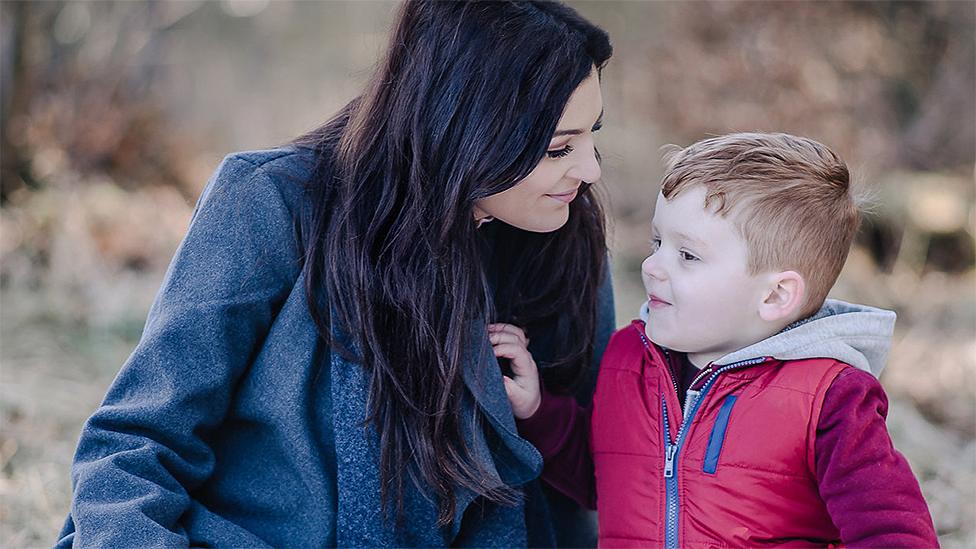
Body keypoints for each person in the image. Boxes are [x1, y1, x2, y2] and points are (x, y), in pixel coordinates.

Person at [57, 1, 615, 546]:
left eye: (593, 134)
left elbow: (605, 473)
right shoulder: (271, 204)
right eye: (557, 148)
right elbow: (136, 444)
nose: (588, 169)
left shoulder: (564, 241)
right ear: (464, 129)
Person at [499, 133, 939, 547]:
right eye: (657, 242)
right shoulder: (628, 360)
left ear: (775, 295)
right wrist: (538, 412)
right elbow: (608, 477)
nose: (652, 266)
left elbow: (890, 527)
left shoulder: (827, 398)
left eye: (687, 255)